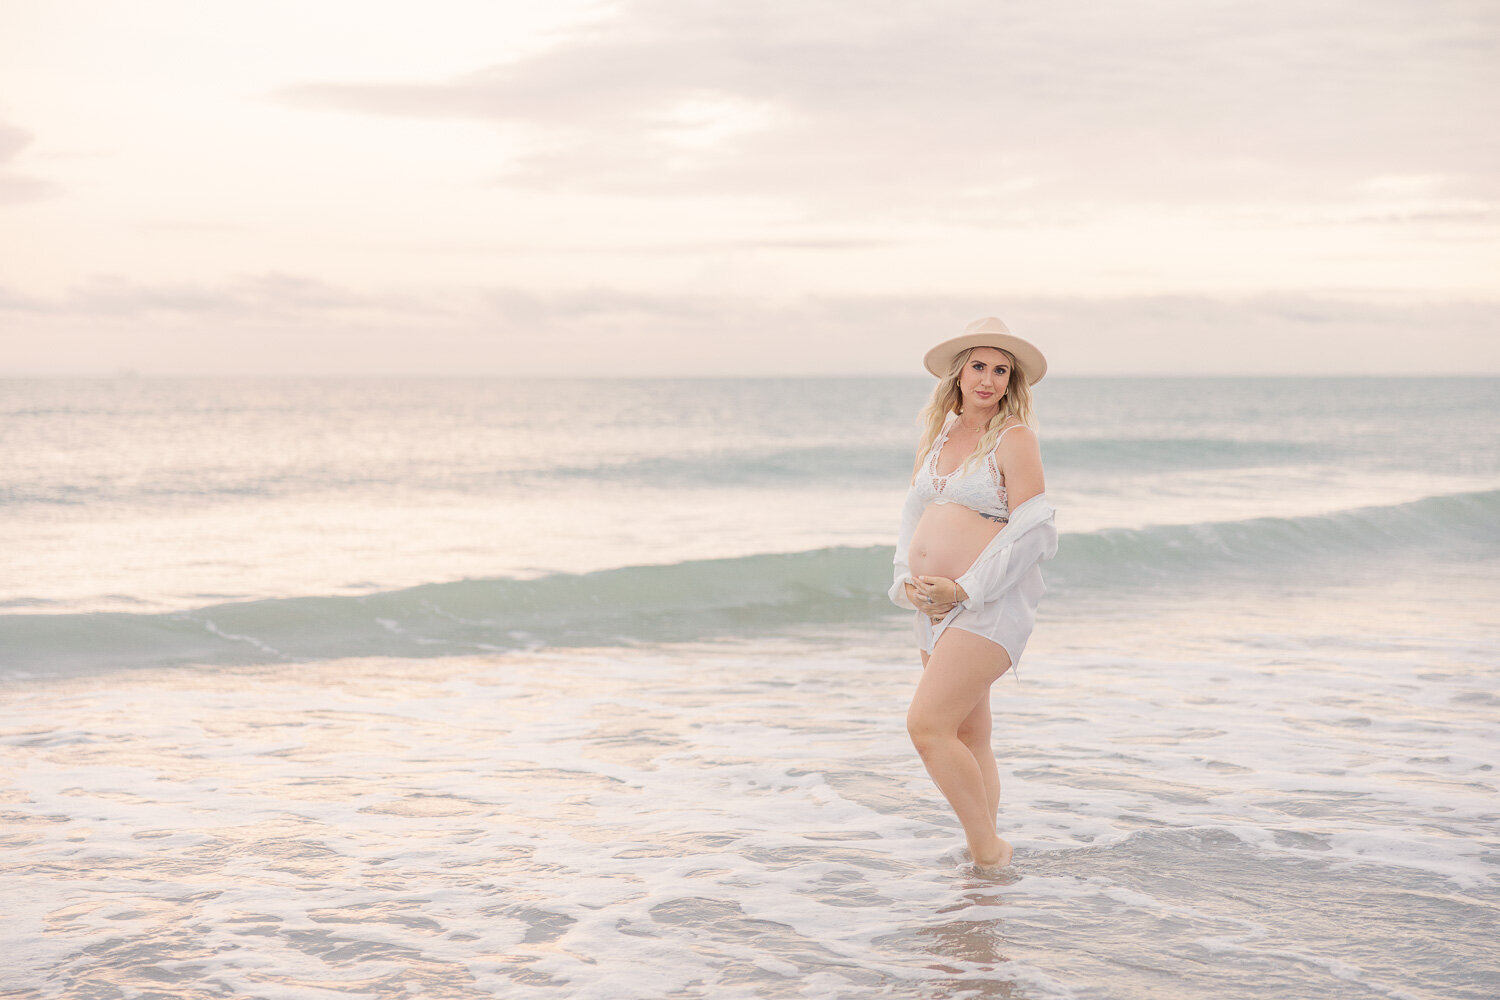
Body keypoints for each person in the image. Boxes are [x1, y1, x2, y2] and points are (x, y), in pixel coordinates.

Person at [890, 316, 1058, 871]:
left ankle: (989, 851)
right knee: (969, 733)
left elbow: (1032, 532)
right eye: (978, 366)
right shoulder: (938, 437)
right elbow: (912, 518)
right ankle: (987, 865)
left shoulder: (1015, 439)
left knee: (927, 727)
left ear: (1011, 383)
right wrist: (905, 583)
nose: (988, 379)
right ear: (960, 373)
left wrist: (964, 586)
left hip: (987, 603)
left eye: (1001, 370)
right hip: (933, 608)